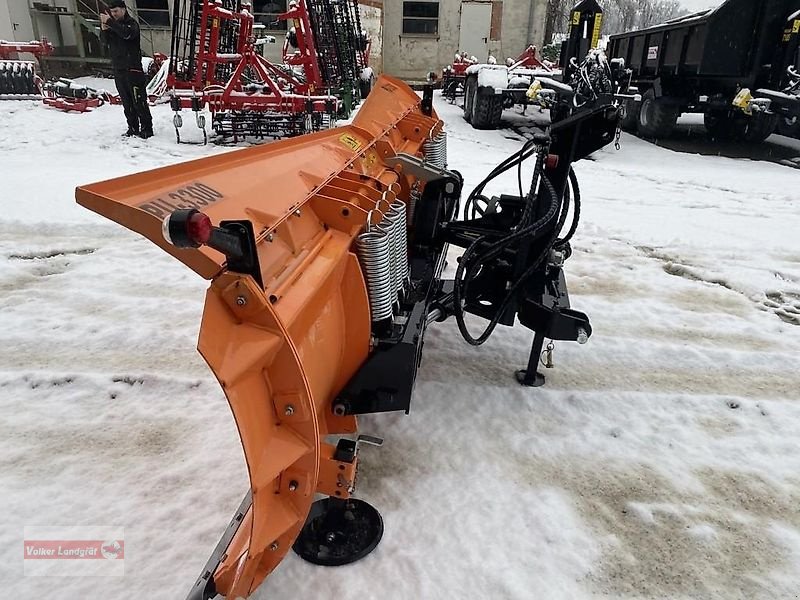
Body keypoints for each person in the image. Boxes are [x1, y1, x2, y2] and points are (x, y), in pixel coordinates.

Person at [100, 0, 154, 138]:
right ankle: (132, 127)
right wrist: (104, 29)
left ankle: (147, 128)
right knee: (126, 102)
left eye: (116, 11)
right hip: (119, 69)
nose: (114, 14)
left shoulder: (131, 24)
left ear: (123, 9)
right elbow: (105, 42)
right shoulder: (113, 26)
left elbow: (126, 34)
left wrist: (111, 23)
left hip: (133, 70)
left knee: (139, 101)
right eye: (112, 12)